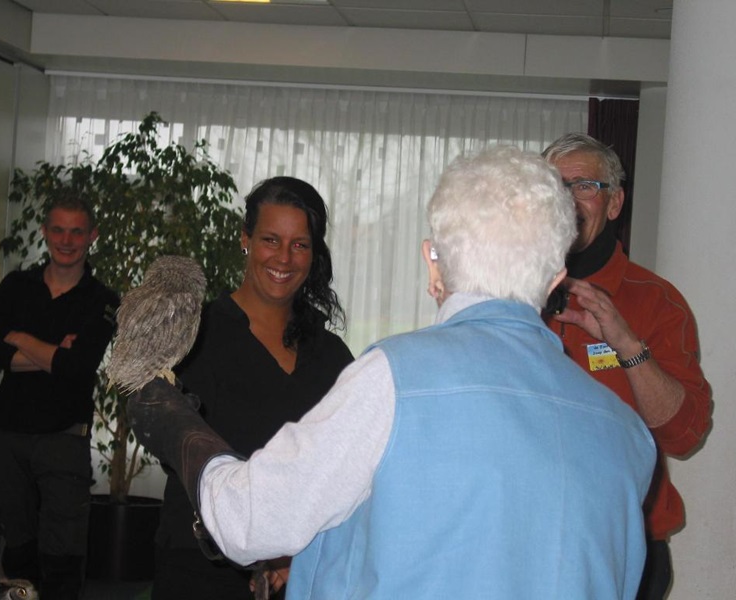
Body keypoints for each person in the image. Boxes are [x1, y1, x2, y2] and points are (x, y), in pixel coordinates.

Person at [129, 146, 657, 599]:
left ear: (434, 263)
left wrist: (175, 427)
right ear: (556, 278)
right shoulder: (627, 432)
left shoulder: (393, 380)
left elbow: (248, 520)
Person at [151, 176, 354, 599]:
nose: (284, 257)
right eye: (270, 239)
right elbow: (172, 445)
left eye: (299, 244)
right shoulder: (193, 336)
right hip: (201, 565)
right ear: (245, 240)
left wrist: (295, 554)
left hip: (297, 569)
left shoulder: (330, 353)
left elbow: (347, 467)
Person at [542, 133, 712, 599]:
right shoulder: (510, 291)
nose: (567, 201)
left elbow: (684, 435)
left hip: (626, 542)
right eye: (554, 187)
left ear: (614, 203)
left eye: (583, 186)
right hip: (527, 536)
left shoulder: (656, 301)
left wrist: (626, 343)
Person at [0, 194, 118, 600]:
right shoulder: (17, 285)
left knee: (63, 550)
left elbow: (78, 368)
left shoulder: (103, 300)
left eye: (77, 231)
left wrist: (18, 337)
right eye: (58, 229)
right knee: (16, 543)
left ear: (92, 236)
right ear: (45, 232)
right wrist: (54, 352)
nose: (66, 240)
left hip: (64, 436)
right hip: (11, 433)